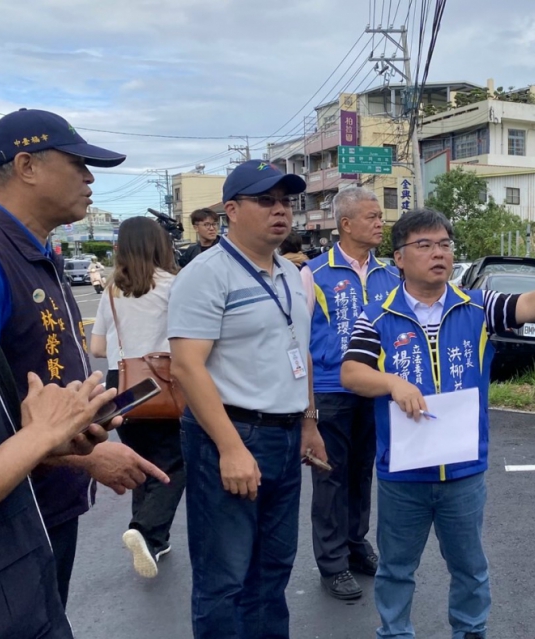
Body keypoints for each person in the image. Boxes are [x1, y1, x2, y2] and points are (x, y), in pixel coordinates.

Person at [0, 107, 169, 607]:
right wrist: (82, 456)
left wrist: (83, 434)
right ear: (27, 167)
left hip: (40, 501)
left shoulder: (37, 252)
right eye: (78, 163)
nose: (89, 179)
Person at [340, 209, 535, 639]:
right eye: (424, 245)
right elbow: (352, 373)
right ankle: (394, 633)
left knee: (470, 568)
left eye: (444, 244)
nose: (438, 253)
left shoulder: (477, 306)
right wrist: (392, 382)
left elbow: (525, 305)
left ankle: (470, 631)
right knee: (396, 569)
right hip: (403, 472)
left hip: (463, 470)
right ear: (399, 259)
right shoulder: (377, 316)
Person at [168, 159, 328, 639]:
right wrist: (231, 448)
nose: (281, 211)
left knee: (274, 571)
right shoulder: (206, 274)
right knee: (225, 578)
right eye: (266, 201)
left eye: (286, 202)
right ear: (231, 211)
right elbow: (186, 367)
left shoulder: (289, 273)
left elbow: (298, 353)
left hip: (284, 436)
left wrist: (308, 423)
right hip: (232, 435)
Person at [300, 186, 400, 599]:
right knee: (330, 480)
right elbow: (299, 343)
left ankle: (357, 545)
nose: (381, 223)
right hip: (328, 393)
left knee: (362, 474)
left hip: (373, 392)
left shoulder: (390, 274)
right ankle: (332, 562)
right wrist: (306, 412)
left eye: (380, 216)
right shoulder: (313, 274)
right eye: (372, 216)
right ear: (346, 224)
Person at [90, 216, 187, 579]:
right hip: (161, 381)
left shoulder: (112, 288)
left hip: (122, 385)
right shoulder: (174, 285)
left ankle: (152, 539)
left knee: (141, 459)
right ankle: (146, 529)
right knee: (176, 462)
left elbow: (97, 345)